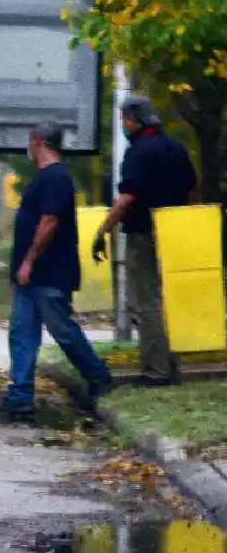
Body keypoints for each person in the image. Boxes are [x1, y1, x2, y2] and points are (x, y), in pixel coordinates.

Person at [0, 122, 114, 422]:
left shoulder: (55, 178)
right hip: (33, 277)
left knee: (62, 330)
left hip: (49, 273)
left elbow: (50, 222)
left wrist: (29, 260)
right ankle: (20, 399)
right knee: (22, 333)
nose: (28, 147)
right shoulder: (45, 177)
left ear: (38, 141)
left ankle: (100, 377)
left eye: (30, 141)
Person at [93, 95, 197, 387]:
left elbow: (127, 197)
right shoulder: (176, 148)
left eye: (125, 119)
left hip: (144, 233)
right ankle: (171, 363)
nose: (124, 125)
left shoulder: (138, 153)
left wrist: (102, 231)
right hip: (174, 231)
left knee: (146, 302)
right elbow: (191, 188)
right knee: (167, 300)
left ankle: (156, 371)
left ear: (132, 120)